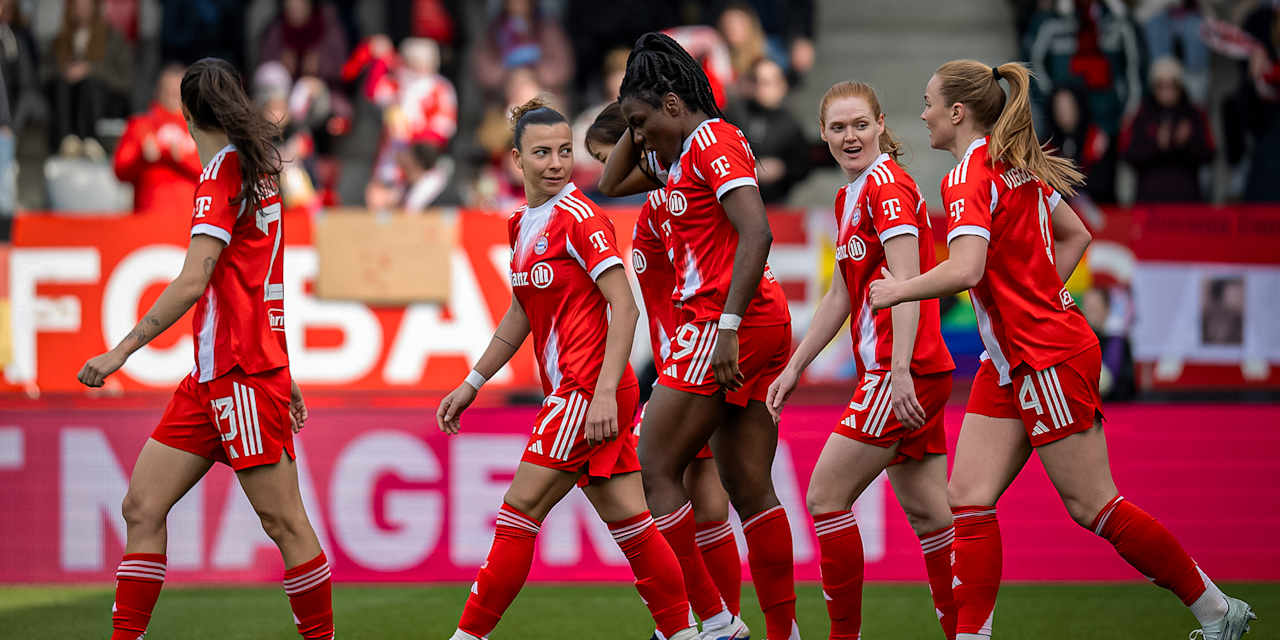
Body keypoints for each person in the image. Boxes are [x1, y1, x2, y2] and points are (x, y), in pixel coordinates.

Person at [869, 59, 1257, 640]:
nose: (921, 114)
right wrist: (1040, 296)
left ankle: (1217, 612)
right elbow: (1078, 234)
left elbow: (968, 268)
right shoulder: (1014, 166)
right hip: (1012, 359)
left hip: (1046, 355)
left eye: (927, 103)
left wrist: (899, 289)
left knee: (1093, 506)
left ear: (956, 112)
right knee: (968, 498)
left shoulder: (967, 178)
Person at [76, 58, 333, 640]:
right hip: (217, 375)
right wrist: (285, 368)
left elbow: (196, 279)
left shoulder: (223, 173)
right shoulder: (261, 168)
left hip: (240, 372)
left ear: (187, 113)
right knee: (141, 505)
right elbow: (266, 279)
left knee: (285, 522)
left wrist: (120, 352)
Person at [434, 98, 698, 640]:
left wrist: (602, 394)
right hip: (588, 390)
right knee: (631, 522)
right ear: (516, 160)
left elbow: (624, 305)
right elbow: (519, 314)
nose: (555, 163)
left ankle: (467, 637)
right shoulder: (523, 225)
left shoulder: (580, 218)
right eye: (541, 153)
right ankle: (685, 631)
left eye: (562, 151)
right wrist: (472, 382)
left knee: (519, 511)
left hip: (587, 389)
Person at [616, 32, 799, 640]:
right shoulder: (681, 147)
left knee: (654, 466)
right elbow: (611, 180)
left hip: (724, 322)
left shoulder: (711, 140)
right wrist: (637, 106)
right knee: (749, 487)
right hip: (749, 321)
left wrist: (725, 328)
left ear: (674, 104)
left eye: (643, 122)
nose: (639, 139)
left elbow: (758, 233)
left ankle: (716, 624)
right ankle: (783, 632)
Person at [767, 80, 957, 640]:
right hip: (913, 371)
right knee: (932, 520)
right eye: (837, 127)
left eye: (859, 124)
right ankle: (969, 632)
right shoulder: (850, 195)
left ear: (880, 124)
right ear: (823, 135)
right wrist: (796, 366)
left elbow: (907, 284)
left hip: (902, 374)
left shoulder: (887, 189)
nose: (849, 136)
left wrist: (898, 371)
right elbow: (839, 296)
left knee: (825, 499)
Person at [585, 101, 750, 640]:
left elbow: (693, 288)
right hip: (678, 359)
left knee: (681, 493)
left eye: (607, 155)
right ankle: (714, 618)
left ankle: (708, 618)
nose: (610, 170)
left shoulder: (673, 202)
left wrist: (677, 365)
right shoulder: (664, 204)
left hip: (688, 359)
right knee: (704, 501)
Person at [1120, 57, 1215, 203]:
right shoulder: (1141, 115)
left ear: (1180, 86)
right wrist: (1155, 144)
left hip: (1187, 201)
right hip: (1149, 202)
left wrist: (1186, 143)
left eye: (1173, 85)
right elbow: (1127, 154)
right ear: (1153, 87)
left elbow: (1210, 153)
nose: (1167, 91)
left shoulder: (1194, 114)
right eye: (1161, 85)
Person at [113, 64, 203, 216]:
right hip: (148, 217)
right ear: (158, 90)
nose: (172, 94)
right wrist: (141, 158)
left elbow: (218, 173)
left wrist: (184, 158)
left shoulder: (202, 128)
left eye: (177, 91)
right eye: (168, 90)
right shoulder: (140, 125)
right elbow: (120, 170)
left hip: (192, 220)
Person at [47, 0, 132, 158]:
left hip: (105, 99)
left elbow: (125, 79)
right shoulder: (60, 40)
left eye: (85, 6)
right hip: (69, 98)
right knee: (61, 84)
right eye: (77, 6)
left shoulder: (113, 38)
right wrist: (66, 72)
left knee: (90, 84)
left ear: (94, 7)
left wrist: (89, 70)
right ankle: (67, 140)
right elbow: (46, 72)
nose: (81, 11)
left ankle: (91, 140)